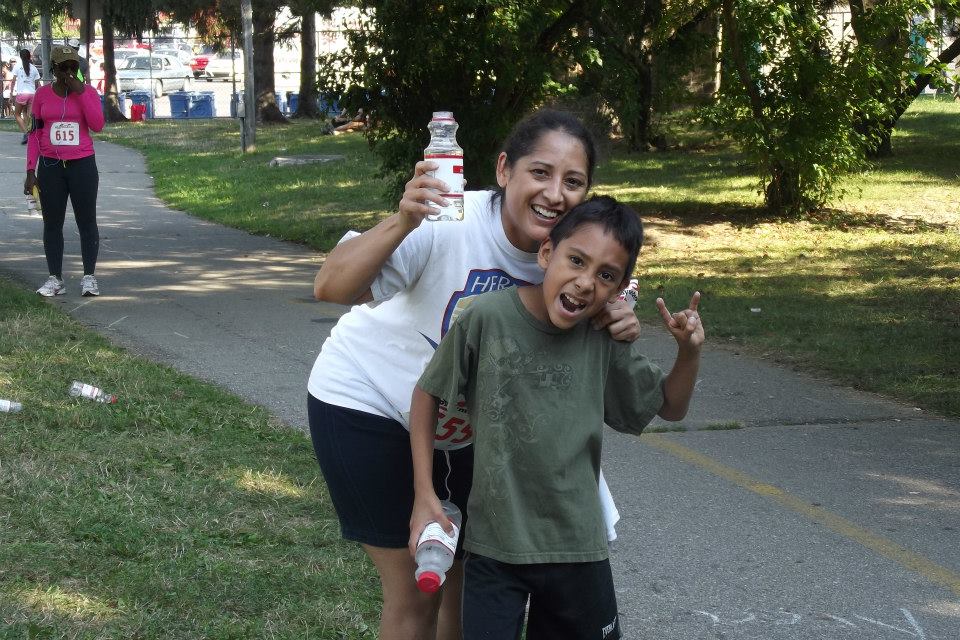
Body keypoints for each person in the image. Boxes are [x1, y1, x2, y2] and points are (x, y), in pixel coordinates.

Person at [308, 109, 641, 640]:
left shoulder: (574, 258)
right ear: (505, 169)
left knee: (464, 596)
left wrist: (621, 317)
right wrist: (402, 222)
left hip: (461, 430)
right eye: (541, 172)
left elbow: (614, 309)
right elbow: (330, 287)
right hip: (365, 402)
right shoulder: (447, 220)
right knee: (420, 590)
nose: (555, 194)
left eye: (573, 181)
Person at [408, 196, 705, 640]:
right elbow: (426, 394)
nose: (586, 283)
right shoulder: (487, 319)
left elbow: (670, 405)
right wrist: (424, 494)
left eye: (606, 276)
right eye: (576, 261)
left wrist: (689, 351)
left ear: (620, 287)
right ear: (547, 253)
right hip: (494, 547)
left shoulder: (603, 337)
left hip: (578, 548)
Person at [23, 44, 105, 298]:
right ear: (53, 69)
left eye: (74, 67)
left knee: (86, 221)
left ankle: (89, 278)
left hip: (82, 165)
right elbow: (35, 134)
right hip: (50, 166)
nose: (69, 72)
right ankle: (54, 278)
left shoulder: (87, 92)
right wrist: (30, 170)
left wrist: (80, 92)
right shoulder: (42, 95)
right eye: (64, 67)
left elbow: (98, 125)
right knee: (52, 223)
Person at [11, 48, 41, 144]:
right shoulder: (34, 68)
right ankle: (30, 133)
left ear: (20, 57)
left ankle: (26, 133)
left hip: (21, 94)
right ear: (29, 56)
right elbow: (37, 83)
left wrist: (12, 93)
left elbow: (13, 81)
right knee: (28, 115)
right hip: (32, 94)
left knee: (17, 115)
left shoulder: (17, 66)